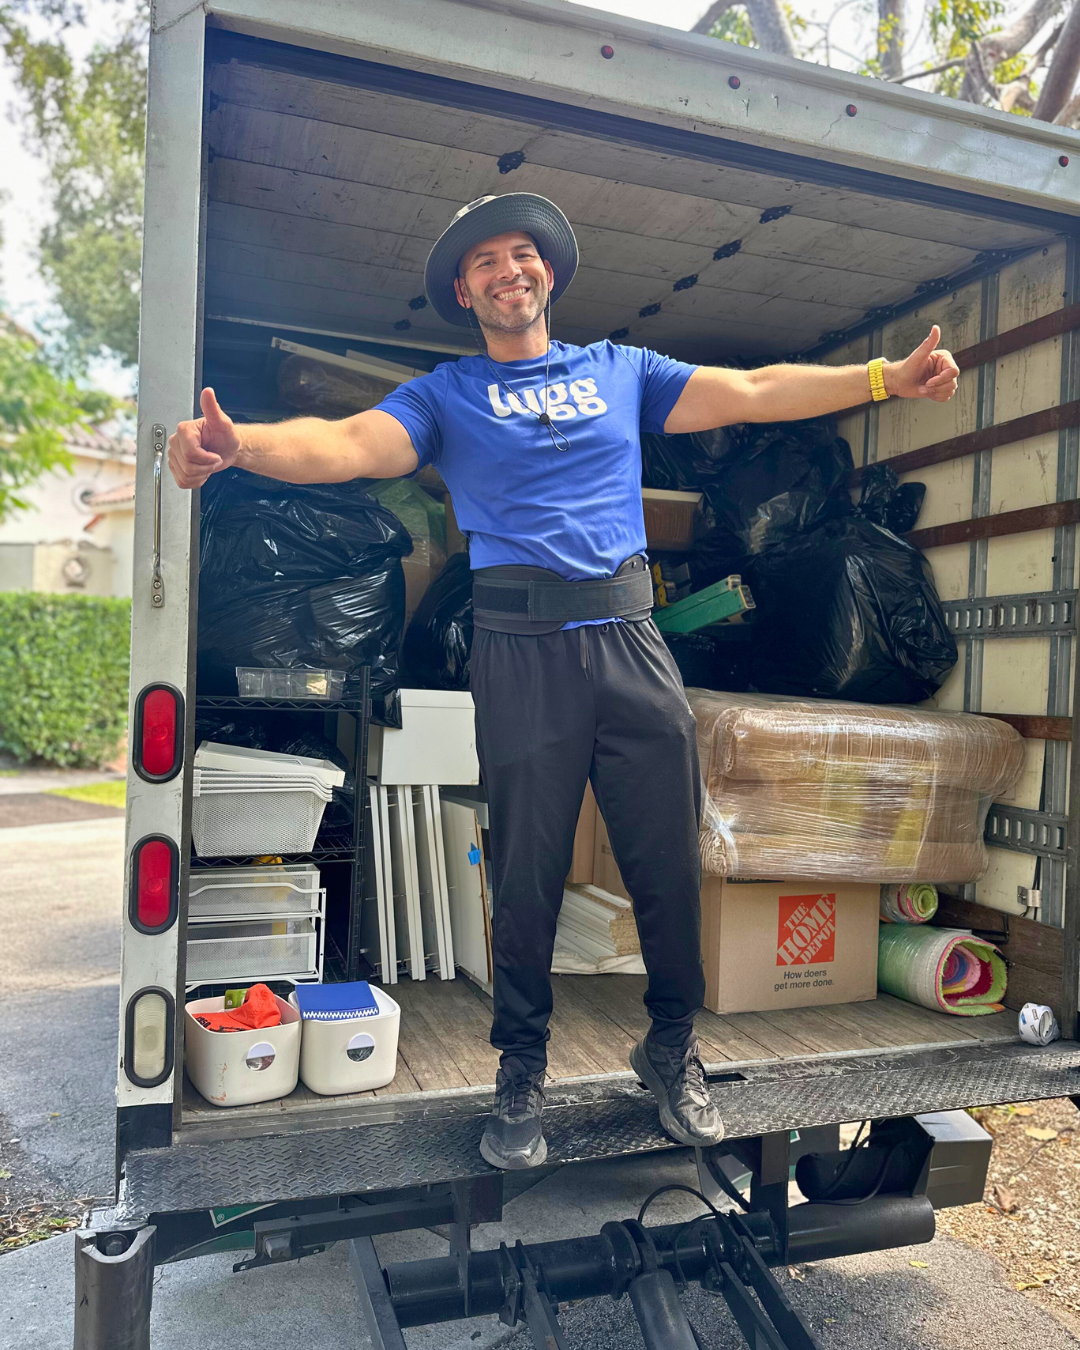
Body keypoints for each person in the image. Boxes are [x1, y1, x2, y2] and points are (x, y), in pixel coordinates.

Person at [169, 193, 960, 1171]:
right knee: (528, 873)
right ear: (464, 292)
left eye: (523, 254)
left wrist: (884, 378)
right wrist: (243, 445)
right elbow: (349, 446)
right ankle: (521, 1071)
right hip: (519, 650)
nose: (510, 269)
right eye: (486, 262)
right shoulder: (445, 395)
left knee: (668, 864)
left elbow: (752, 391)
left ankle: (671, 1051)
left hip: (630, 640)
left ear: (548, 273)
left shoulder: (622, 373)